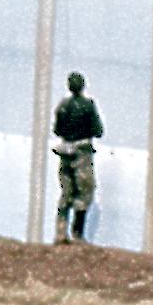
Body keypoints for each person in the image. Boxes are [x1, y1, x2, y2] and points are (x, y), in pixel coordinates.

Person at [50, 71, 102, 243]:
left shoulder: (63, 106)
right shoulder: (88, 105)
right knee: (85, 193)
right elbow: (98, 130)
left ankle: (60, 232)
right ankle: (77, 234)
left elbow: (57, 130)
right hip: (82, 153)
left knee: (66, 193)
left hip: (65, 151)